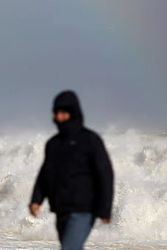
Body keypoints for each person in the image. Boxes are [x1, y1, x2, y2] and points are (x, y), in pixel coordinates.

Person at [29, 90, 114, 250]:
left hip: (84, 209)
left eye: (63, 113)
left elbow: (105, 174)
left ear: (73, 113)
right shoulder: (53, 144)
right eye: (57, 113)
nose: (59, 117)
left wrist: (105, 209)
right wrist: (36, 200)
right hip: (61, 210)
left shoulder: (90, 140)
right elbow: (45, 174)